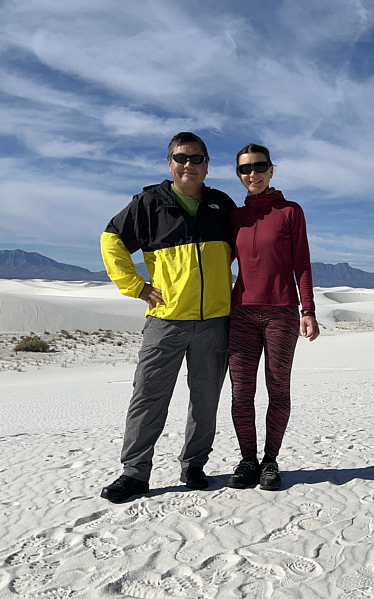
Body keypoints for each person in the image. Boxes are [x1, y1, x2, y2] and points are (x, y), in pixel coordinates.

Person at [99, 132, 236, 503]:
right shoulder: (149, 204)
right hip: (167, 321)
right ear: (169, 163)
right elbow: (111, 240)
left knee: (206, 398)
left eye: (196, 158)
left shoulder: (221, 205)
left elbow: (245, 250)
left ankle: (194, 465)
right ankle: (135, 473)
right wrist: (137, 286)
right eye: (181, 158)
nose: (188, 165)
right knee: (148, 396)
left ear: (207, 164)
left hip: (214, 321)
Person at [225, 143, 319, 491]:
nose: (253, 174)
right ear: (239, 175)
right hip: (241, 314)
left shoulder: (290, 211)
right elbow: (220, 265)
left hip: (281, 314)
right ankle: (248, 459)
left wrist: (307, 309)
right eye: (245, 169)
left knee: (278, 390)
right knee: (240, 392)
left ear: (271, 169)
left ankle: (270, 461)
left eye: (259, 166)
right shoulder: (235, 217)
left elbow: (302, 263)